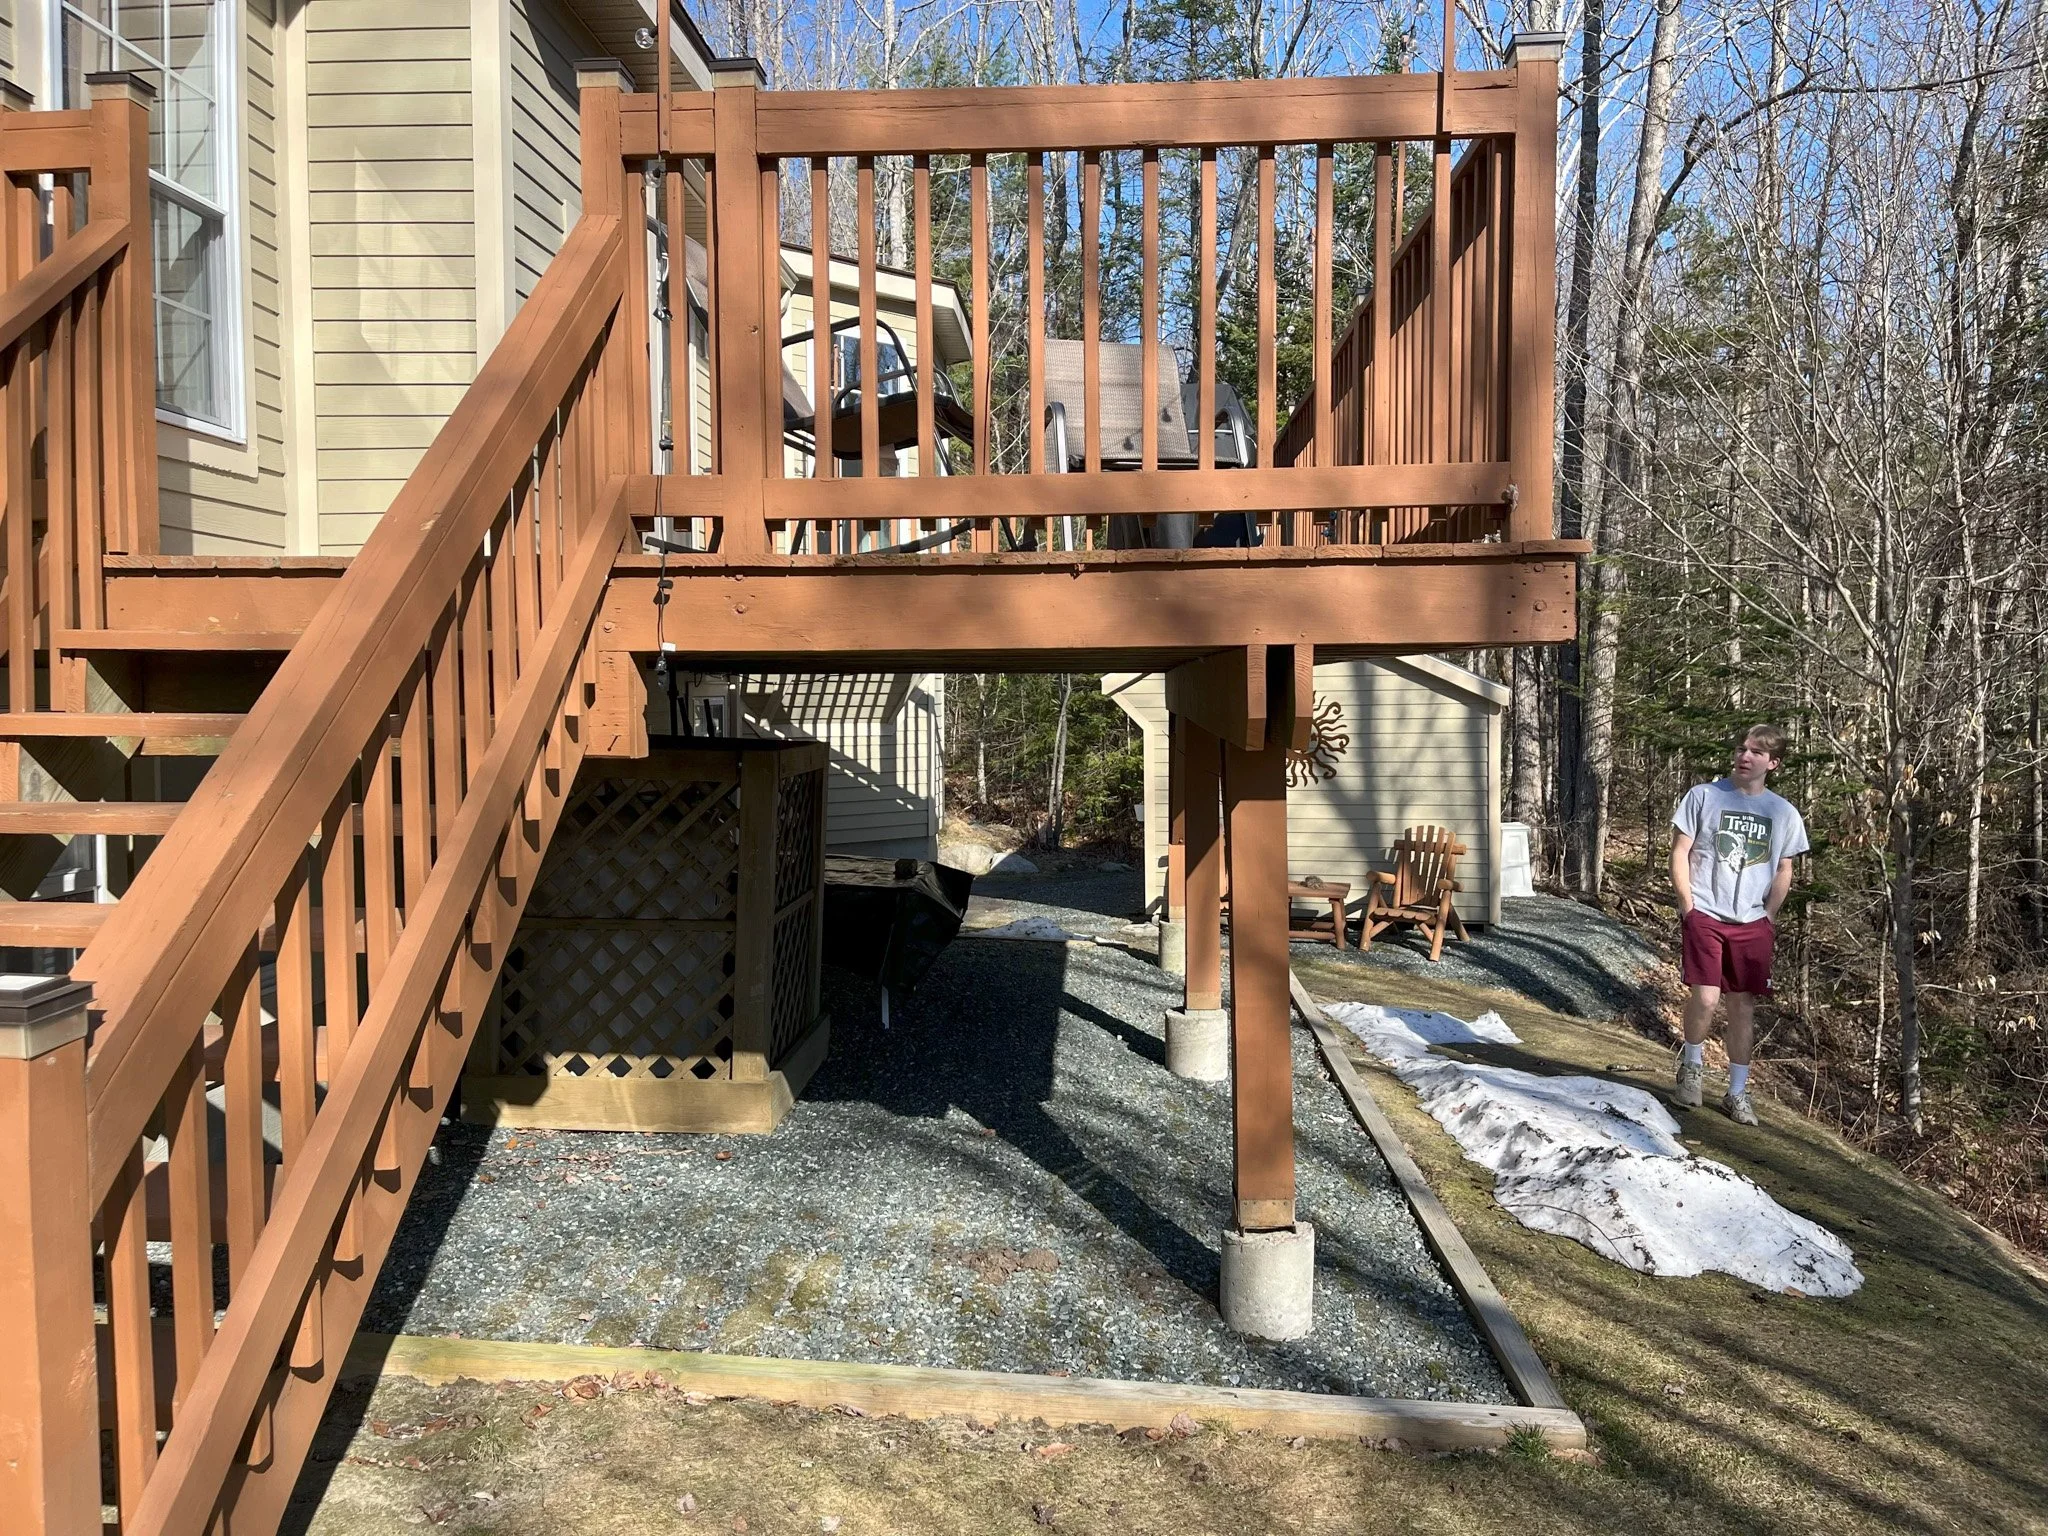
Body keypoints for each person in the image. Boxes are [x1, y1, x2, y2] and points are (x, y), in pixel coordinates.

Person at [1669, 725, 1808, 1125]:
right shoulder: (1704, 797)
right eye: (1742, 749)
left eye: (1756, 752)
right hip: (1706, 914)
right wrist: (1688, 905)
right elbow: (1680, 851)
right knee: (1707, 997)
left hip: (1751, 922)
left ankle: (1736, 1092)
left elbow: (1784, 867)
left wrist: (1769, 915)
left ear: (1773, 763)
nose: (1744, 756)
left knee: (1742, 1006)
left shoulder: (1782, 812)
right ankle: (1692, 1069)